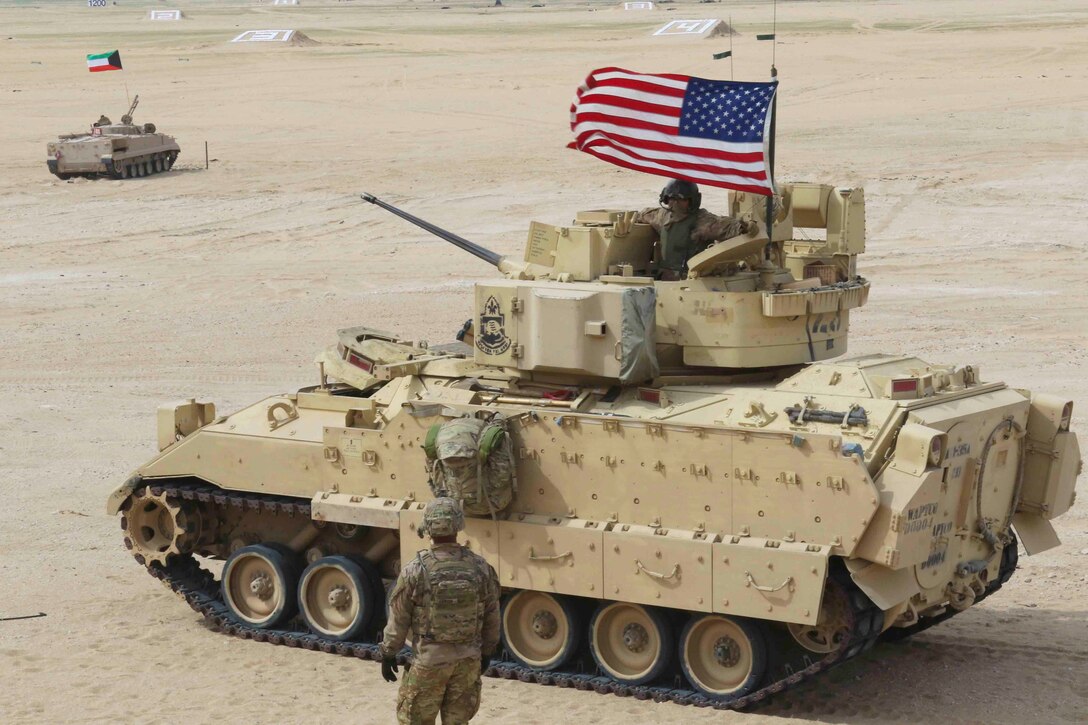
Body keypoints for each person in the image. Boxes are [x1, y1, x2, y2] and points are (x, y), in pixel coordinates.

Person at [380, 497, 500, 725]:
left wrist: (388, 652)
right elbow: (493, 615)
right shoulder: (481, 567)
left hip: (429, 662)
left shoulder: (416, 570)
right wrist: (487, 652)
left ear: (428, 527)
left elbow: (399, 618)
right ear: (459, 526)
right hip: (467, 661)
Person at [636, 178, 752, 280]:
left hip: (692, 280)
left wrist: (744, 227)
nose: (675, 204)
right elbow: (643, 215)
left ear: (692, 201)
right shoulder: (661, 216)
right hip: (665, 280)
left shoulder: (702, 220)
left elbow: (725, 226)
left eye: (682, 200)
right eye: (672, 199)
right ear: (665, 199)